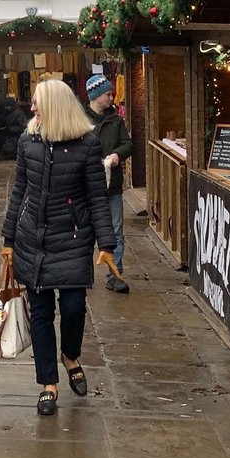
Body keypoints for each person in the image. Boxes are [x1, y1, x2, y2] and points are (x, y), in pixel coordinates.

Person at [1, 79, 116, 417]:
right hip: (32, 240)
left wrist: (107, 243)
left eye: (37, 102)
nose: (31, 107)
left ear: (54, 105)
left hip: (73, 239)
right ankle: (48, 383)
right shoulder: (28, 140)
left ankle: (71, 355)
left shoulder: (87, 145)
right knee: (40, 314)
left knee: (73, 308)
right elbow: (18, 190)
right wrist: (8, 239)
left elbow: (97, 198)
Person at [84, 73, 133, 293]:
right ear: (95, 96)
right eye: (107, 94)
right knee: (84, 231)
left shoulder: (116, 120)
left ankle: (115, 274)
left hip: (111, 187)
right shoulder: (80, 120)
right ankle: (81, 273)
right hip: (84, 186)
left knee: (115, 231)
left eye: (111, 93)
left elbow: (128, 144)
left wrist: (116, 155)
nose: (112, 97)